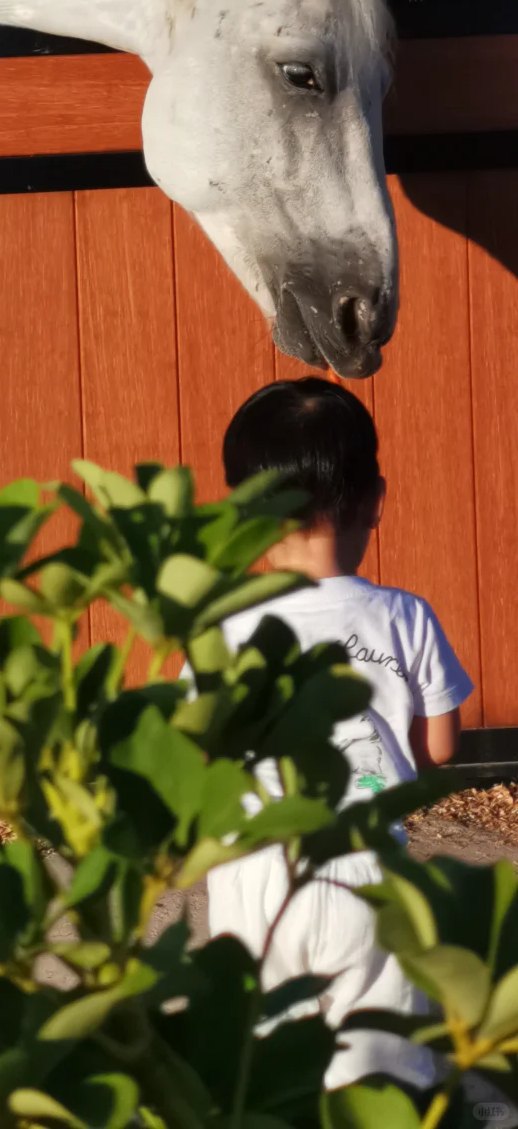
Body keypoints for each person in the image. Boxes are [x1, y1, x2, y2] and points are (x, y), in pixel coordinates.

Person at [203, 377, 473, 1090]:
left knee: (259, 1073)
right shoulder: (406, 617)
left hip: (255, 872)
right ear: (374, 500)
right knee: (378, 1075)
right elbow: (440, 749)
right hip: (371, 871)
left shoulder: (221, 628)